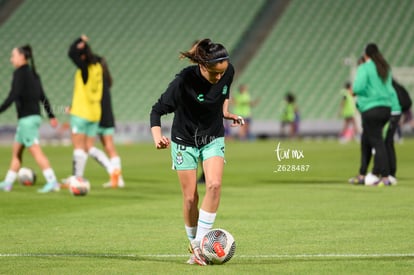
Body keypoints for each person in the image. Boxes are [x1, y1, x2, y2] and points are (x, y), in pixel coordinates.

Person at [150, 38, 244, 265]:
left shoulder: (227, 70)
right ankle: (194, 245)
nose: (220, 77)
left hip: (212, 136)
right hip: (184, 139)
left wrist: (226, 112)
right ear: (202, 66)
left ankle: (201, 245)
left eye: (223, 72)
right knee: (191, 197)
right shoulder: (184, 81)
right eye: (214, 73)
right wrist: (157, 138)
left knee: (214, 185)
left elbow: (223, 92)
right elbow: (157, 110)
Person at [0, 45, 60, 193]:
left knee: (35, 151)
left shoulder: (19, 74)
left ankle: (52, 181)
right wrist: (51, 115)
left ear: (22, 57)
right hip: (32, 118)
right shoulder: (34, 74)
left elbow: (13, 95)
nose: (11, 59)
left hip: (27, 119)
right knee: (17, 152)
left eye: (13, 56)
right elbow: (43, 97)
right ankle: (7, 183)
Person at [66, 35, 120, 187]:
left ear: (83, 56)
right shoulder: (98, 69)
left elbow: (71, 53)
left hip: (81, 113)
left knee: (79, 148)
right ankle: (112, 170)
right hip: (95, 114)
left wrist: (79, 40)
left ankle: (77, 179)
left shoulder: (84, 69)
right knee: (88, 147)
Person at [349, 43, 394, 186]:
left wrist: (355, 92)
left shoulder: (365, 67)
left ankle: (385, 177)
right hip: (386, 107)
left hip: (371, 108)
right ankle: (362, 174)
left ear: (365, 55)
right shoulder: (385, 67)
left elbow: (358, 87)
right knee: (366, 140)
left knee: (377, 142)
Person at [92, 56, 125, 188]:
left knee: (85, 147)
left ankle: (113, 171)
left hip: (97, 117)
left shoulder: (97, 79)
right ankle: (119, 179)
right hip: (108, 117)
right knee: (110, 147)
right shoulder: (106, 79)